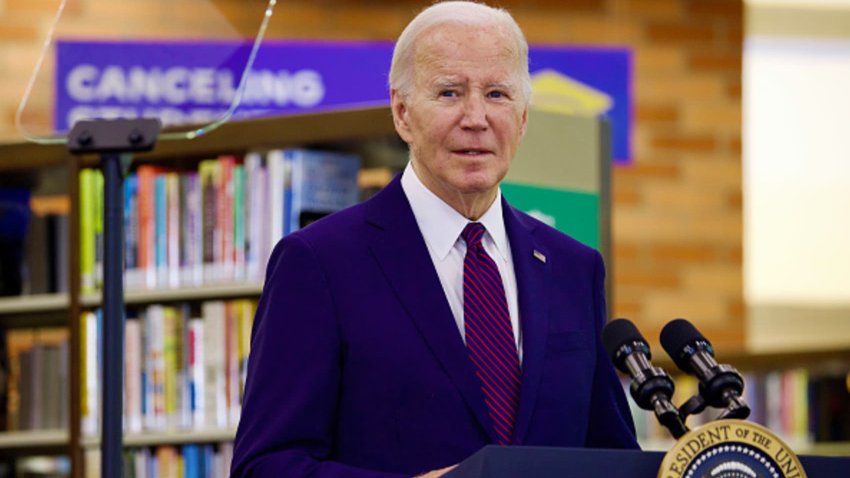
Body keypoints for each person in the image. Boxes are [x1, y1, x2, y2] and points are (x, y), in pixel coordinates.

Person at [231, 2, 638, 477]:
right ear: (402, 113)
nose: (476, 117)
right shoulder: (320, 263)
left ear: (524, 117)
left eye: (497, 94)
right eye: (449, 92)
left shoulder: (573, 267)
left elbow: (614, 459)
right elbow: (266, 467)